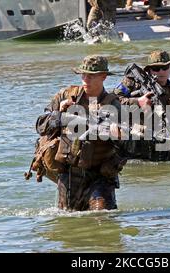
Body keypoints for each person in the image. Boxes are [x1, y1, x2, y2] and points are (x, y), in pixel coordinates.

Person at [34, 55, 127, 211]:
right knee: (68, 223)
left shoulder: (113, 104)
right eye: (83, 74)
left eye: (91, 76)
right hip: (69, 174)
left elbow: (128, 145)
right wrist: (59, 113)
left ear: (103, 76)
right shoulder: (66, 96)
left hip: (100, 177)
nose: (85, 79)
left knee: (102, 217)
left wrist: (118, 136)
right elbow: (40, 124)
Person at [113, 50, 170, 161]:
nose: (161, 71)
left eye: (165, 68)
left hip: (162, 151)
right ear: (149, 70)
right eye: (156, 68)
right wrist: (138, 101)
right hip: (134, 148)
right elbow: (113, 102)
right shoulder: (133, 84)